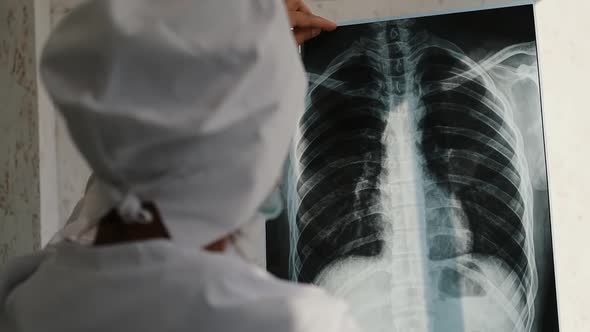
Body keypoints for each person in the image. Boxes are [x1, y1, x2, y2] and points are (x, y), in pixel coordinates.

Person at [0, 1, 358, 332]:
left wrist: (238, 40)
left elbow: (134, 159)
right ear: (251, 154)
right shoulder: (297, 321)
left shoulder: (24, 296)